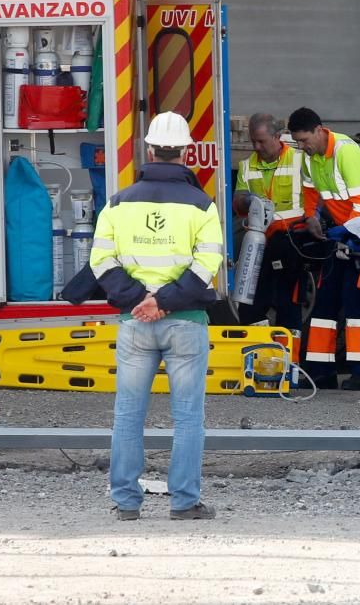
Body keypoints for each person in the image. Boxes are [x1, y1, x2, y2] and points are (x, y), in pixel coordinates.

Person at [89, 111, 223, 521]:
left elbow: (100, 260)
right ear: (186, 152)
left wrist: (140, 300)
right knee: (187, 419)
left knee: (128, 416)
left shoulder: (117, 203)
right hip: (186, 322)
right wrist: (165, 301)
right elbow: (208, 264)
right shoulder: (203, 205)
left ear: (148, 150)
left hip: (136, 323)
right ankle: (184, 502)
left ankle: (127, 503)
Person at [288, 107, 360, 391]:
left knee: (356, 305)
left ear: (319, 130)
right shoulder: (311, 157)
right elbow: (310, 191)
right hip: (341, 235)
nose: (301, 147)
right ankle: (320, 372)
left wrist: (344, 235)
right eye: (297, 142)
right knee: (325, 305)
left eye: (305, 140)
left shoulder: (346, 151)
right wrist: (310, 217)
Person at [233, 112, 309, 360]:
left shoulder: (300, 161)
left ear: (278, 137)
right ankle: (262, 360)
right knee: (251, 305)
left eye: (261, 141)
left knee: (288, 304)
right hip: (260, 245)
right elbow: (238, 202)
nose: (256, 147)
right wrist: (248, 200)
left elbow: (316, 197)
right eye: (253, 141)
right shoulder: (247, 165)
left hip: (291, 241)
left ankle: (290, 364)